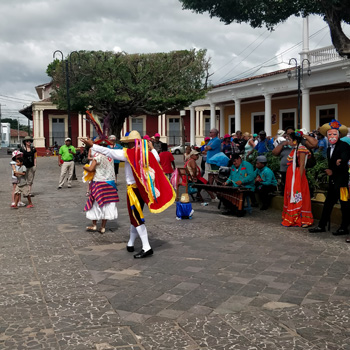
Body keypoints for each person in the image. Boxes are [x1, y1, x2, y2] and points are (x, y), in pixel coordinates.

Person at [81, 130, 175, 259]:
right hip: (142, 189)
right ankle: (130, 243)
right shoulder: (146, 153)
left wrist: (92, 145)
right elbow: (157, 157)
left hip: (133, 190)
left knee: (136, 217)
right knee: (134, 217)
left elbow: (110, 152)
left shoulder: (129, 154)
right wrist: (152, 148)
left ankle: (146, 247)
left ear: (131, 143)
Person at [309, 120, 350, 237]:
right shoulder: (328, 149)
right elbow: (333, 164)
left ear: (339, 135)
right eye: (330, 134)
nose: (332, 136)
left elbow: (344, 160)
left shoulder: (344, 146)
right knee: (328, 204)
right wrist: (331, 171)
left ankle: (344, 228)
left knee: (344, 205)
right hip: (333, 181)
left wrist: (338, 164)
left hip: (342, 182)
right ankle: (322, 225)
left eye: (334, 134)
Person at [83, 140, 119, 234]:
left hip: (99, 182)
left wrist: (84, 167)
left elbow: (91, 169)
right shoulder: (111, 157)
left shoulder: (97, 157)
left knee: (94, 203)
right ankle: (103, 227)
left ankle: (94, 225)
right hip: (110, 183)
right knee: (107, 204)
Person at [282, 130, 313, 228]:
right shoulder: (295, 149)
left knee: (299, 194)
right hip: (292, 175)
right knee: (292, 194)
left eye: (290, 139)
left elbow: (302, 164)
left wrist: (298, 179)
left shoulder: (301, 149)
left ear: (295, 140)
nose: (289, 141)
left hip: (297, 175)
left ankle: (303, 218)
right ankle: (293, 216)